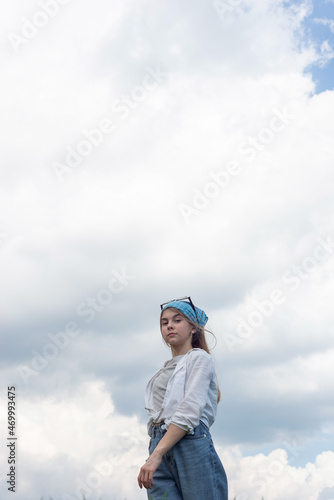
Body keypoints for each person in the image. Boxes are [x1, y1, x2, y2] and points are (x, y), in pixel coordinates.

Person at [137, 296, 228, 500]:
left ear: (193, 328)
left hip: (190, 441)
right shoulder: (164, 368)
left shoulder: (199, 358)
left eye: (177, 320)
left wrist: (156, 456)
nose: (170, 326)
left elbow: (188, 411)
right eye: (165, 322)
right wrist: (156, 451)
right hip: (158, 441)